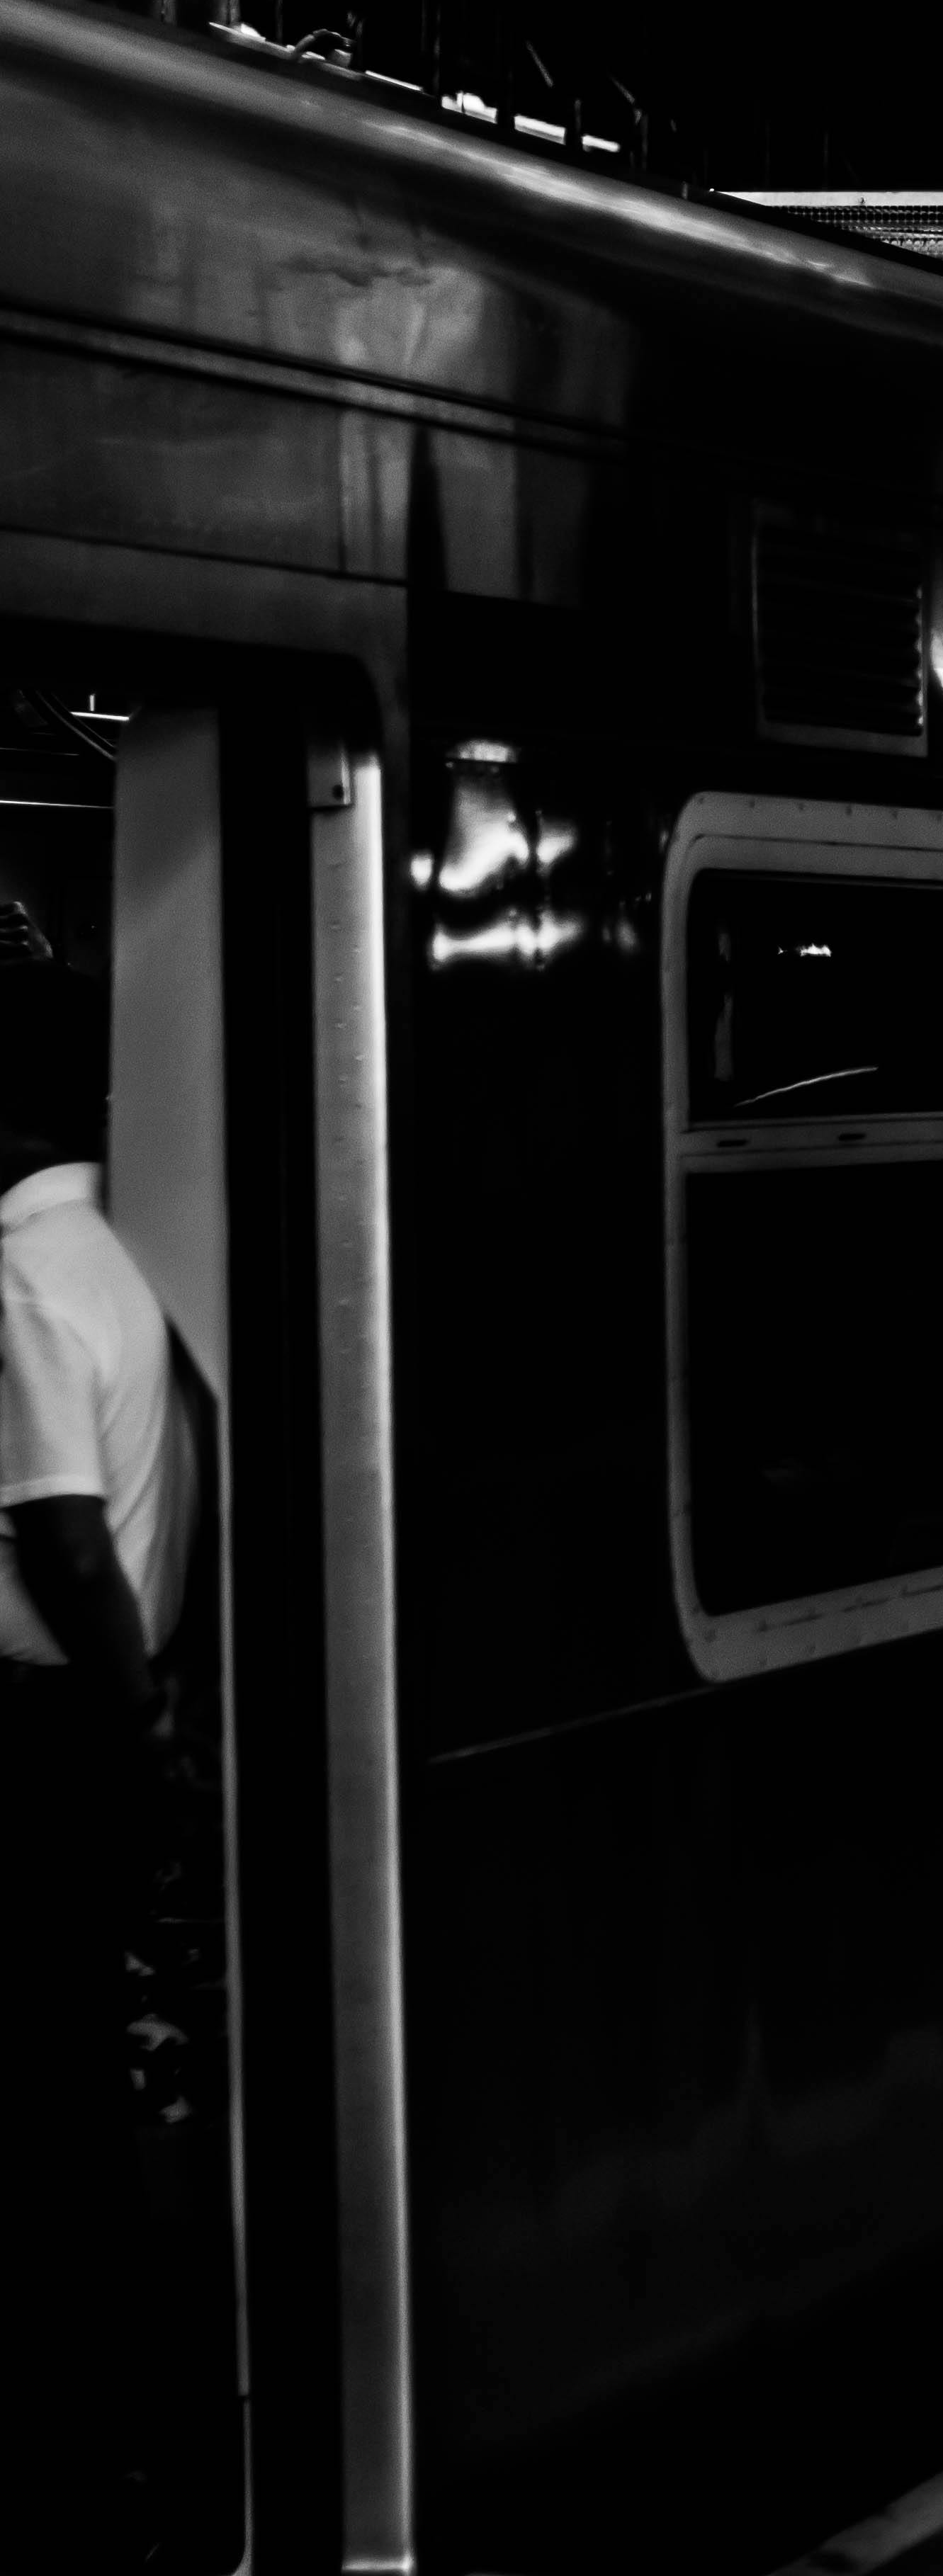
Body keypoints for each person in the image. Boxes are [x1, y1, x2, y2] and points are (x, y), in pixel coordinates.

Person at [0, 959, 191, 2562]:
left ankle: (95, 2416)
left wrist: (133, 1718)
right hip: (111, 1715)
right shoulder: (132, 1247)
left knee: (48, 2079)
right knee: (78, 2057)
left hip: (52, 1722)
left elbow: (60, 1536)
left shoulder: (22, 1275)